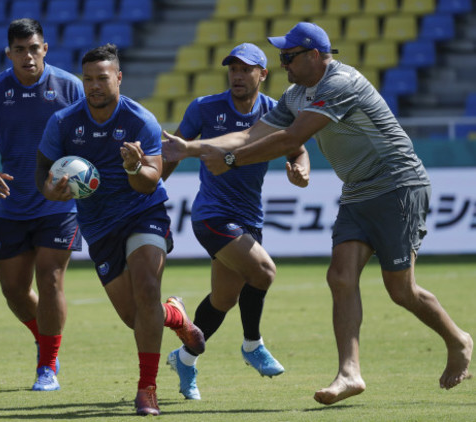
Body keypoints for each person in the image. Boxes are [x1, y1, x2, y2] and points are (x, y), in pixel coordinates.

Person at [163, 22, 473, 405]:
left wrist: (230, 159)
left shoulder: (340, 84)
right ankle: (349, 373)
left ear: (313, 55)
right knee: (340, 277)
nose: (283, 65)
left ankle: (458, 340)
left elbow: (291, 140)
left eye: (287, 57)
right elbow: (250, 135)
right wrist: (190, 149)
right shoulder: (296, 95)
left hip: (398, 186)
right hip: (358, 191)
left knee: (400, 290)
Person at [36, 43, 205, 416]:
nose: (95, 86)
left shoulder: (139, 120)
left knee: (147, 289)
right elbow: (42, 176)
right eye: (88, 79)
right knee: (137, 317)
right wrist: (53, 189)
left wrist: (134, 167)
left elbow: (151, 180)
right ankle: (176, 315)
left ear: (118, 78)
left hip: (143, 211)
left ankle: (147, 389)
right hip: (98, 227)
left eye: (102, 78)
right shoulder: (63, 123)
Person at [161, 43, 310, 400]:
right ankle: (252, 344)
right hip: (212, 215)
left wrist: (301, 169)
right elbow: (176, 150)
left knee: (224, 300)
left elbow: (298, 147)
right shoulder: (205, 107)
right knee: (264, 272)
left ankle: (184, 358)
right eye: (233, 69)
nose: (238, 75)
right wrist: (148, 191)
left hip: (248, 219)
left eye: (246, 69)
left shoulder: (276, 111)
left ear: (263, 74)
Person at [0, 18, 84, 392]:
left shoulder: (70, 86)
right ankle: (44, 336)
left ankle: (47, 366)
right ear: (9, 53)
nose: (28, 56)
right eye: (19, 50)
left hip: (59, 205)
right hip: (12, 203)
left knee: (50, 280)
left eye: (34, 48)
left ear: (45, 49)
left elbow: (89, 138)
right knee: (13, 290)